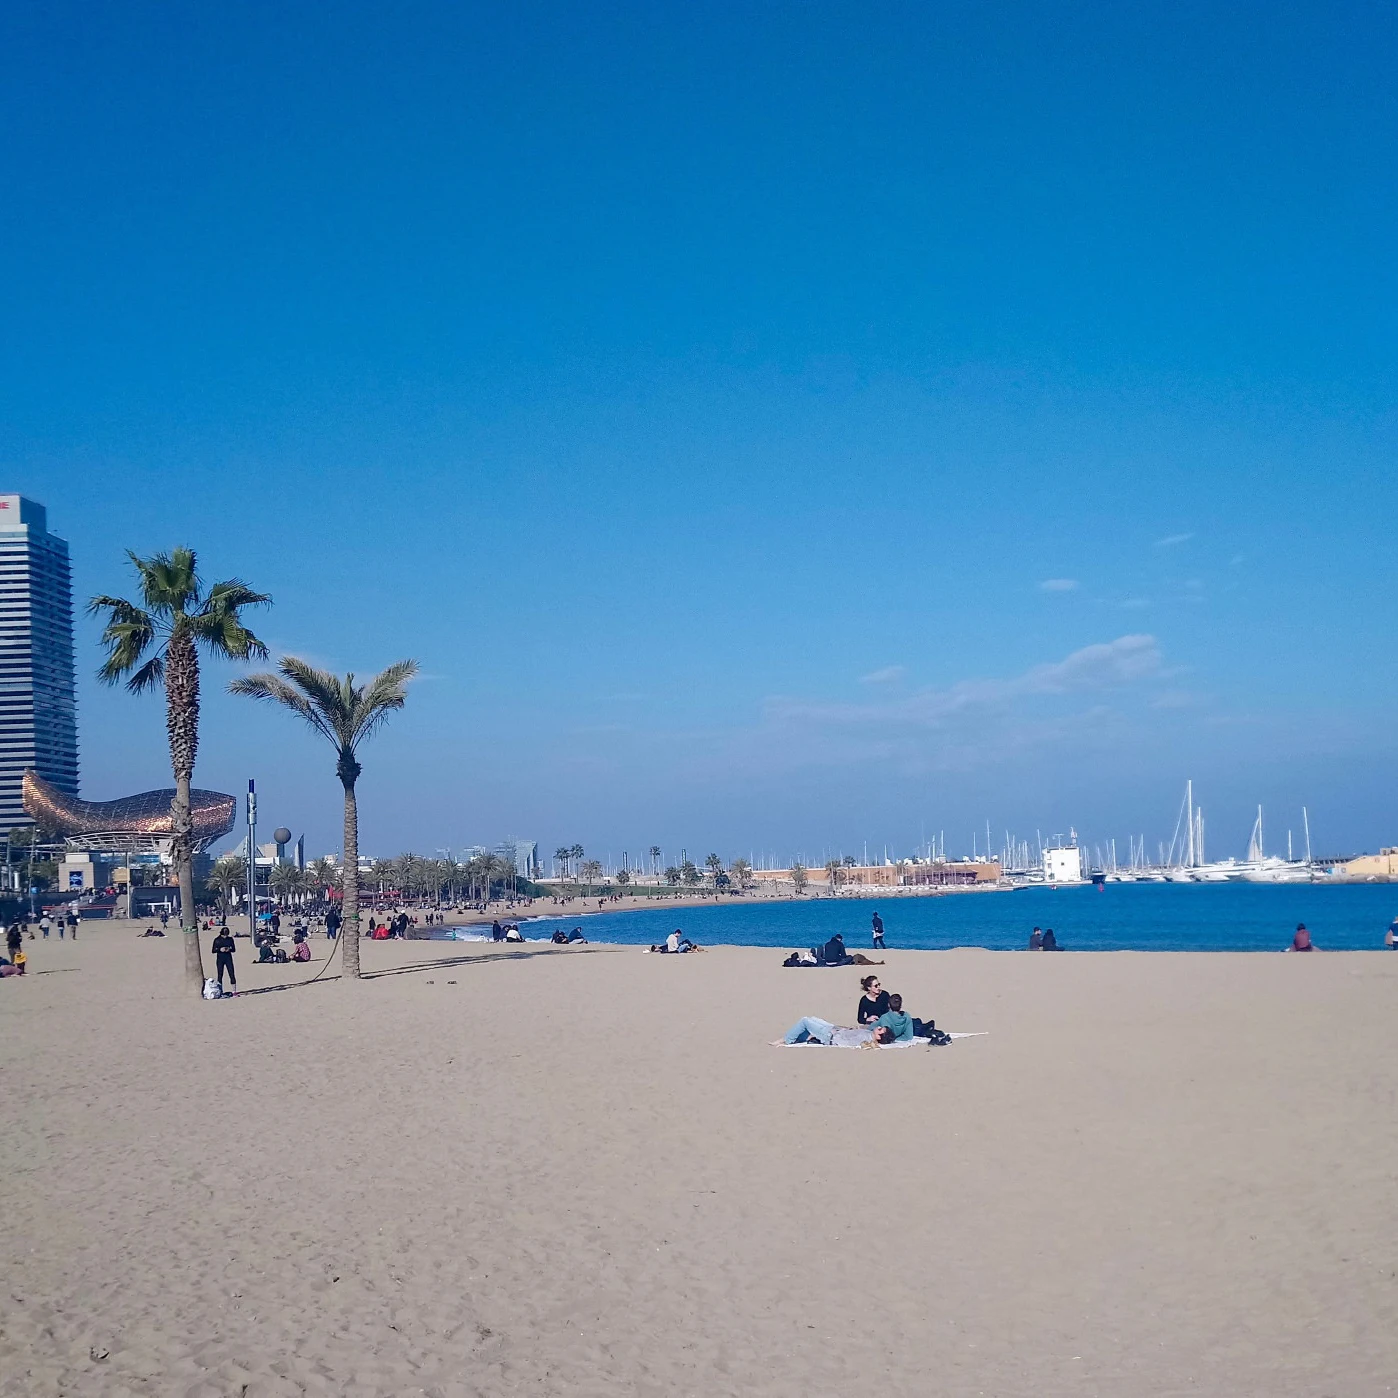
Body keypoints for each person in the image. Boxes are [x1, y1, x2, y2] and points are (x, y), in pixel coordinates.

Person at [779, 1017, 894, 1046]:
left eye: (880, 1030)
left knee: (805, 1021)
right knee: (812, 1018)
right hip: (834, 1029)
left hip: (830, 1035)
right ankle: (796, 1037)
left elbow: (846, 1043)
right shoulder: (868, 1033)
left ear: (879, 1037)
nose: (878, 1027)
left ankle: (787, 1040)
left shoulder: (865, 1039)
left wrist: (834, 1036)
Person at [211, 926, 237, 994]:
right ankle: (220, 990)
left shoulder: (230, 939)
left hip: (228, 957)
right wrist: (220, 949)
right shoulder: (217, 940)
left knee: (231, 973)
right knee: (220, 974)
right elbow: (213, 950)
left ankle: (234, 991)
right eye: (224, 935)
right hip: (220, 958)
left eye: (226, 935)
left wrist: (229, 949)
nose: (225, 936)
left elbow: (234, 949)